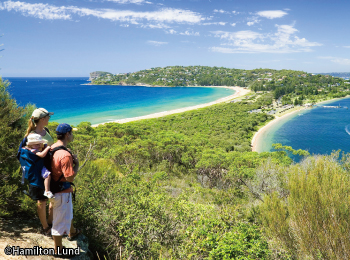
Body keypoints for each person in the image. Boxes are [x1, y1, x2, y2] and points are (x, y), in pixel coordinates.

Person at [18, 108, 55, 236]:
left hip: (49, 170)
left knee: (52, 198)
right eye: (48, 117)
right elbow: (23, 154)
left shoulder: (47, 131)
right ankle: (45, 227)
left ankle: (50, 224)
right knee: (42, 200)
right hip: (37, 172)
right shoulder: (30, 136)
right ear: (43, 119)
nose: (49, 119)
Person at [50, 123, 81, 254]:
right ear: (67, 134)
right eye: (72, 133)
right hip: (62, 193)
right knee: (59, 222)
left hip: (53, 189)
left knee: (65, 216)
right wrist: (77, 165)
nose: (72, 135)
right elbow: (70, 178)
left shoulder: (52, 148)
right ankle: (59, 250)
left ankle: (71, 232)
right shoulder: (65, 155)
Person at [23, 133, 55, 199]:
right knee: (48, 176)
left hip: (38, 168)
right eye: (37, 144)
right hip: (39, 167)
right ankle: (47, 191)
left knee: (48, 176)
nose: (39, 145)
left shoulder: (31, 149)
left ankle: (47, 190)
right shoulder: (33, 150)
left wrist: (45, 146)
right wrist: (48, 147)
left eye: (39, 144)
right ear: (30, 145)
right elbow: (41, 155)